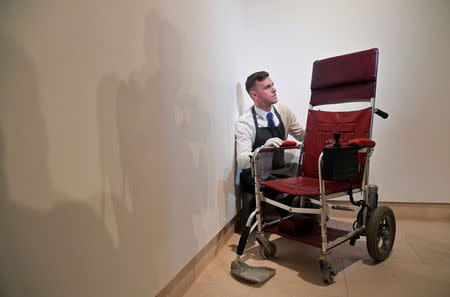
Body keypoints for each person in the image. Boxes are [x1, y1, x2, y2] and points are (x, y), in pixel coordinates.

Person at [235, 71, 305, 229]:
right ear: (255, 95)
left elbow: (302, 136)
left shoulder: (283, 111)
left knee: (307, 172)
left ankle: (290, 206)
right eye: (267, 87)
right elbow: (242, 159)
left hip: (280, 168)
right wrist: (262, 149)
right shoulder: (245, 122)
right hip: (258, 172)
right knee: (268, 183)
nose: (274, 89)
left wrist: (319, 127)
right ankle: (287, 207)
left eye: (272, 85)